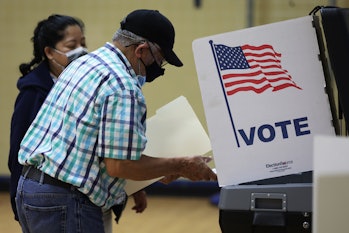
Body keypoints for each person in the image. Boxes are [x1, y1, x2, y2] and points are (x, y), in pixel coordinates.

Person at [16, 9, 217, 233]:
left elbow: (89, 145)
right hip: (67, 201)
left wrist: (153, 172)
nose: (158, 68)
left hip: (31, 190)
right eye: (159, 60)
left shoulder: (85, 63)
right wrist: (181, 165)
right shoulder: (123, 86)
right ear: (141, 50)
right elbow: (119, 165)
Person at [8, 14, 87, 222]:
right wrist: (18, 200)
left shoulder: (84, 84)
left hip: (83, 193)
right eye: (72, 45)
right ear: (50, 52)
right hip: (47, 195)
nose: (82, 50)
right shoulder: (33, 92)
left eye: (83, 43)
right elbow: (18, 148)